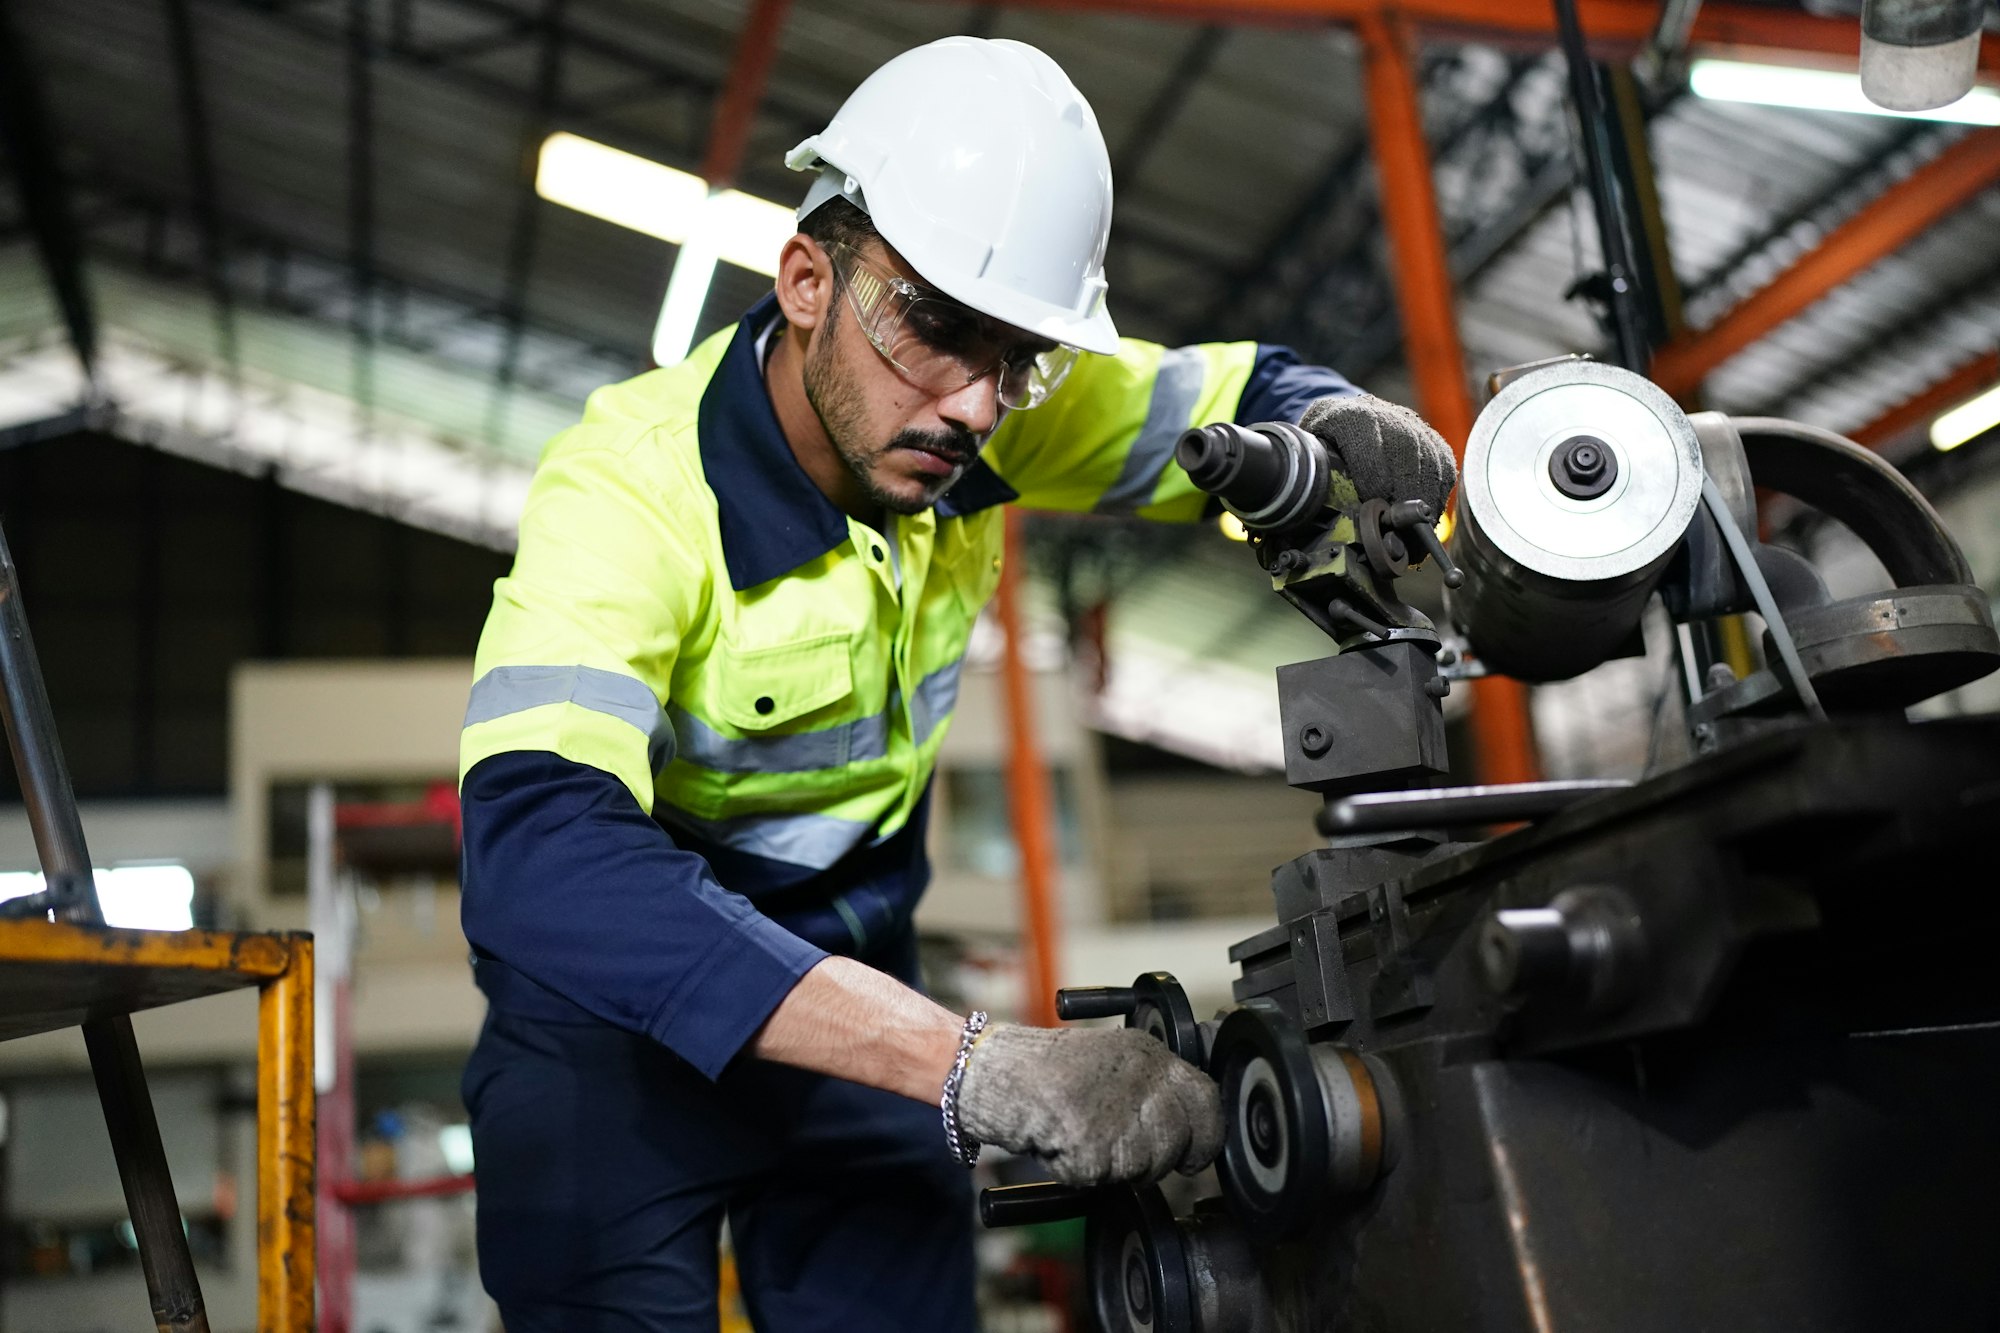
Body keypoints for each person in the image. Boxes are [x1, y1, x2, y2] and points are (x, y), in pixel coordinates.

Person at [456, 34, 1456, 1333]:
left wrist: (1331, 420)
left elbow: (1226, 393)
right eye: (934, 331)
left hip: (851, 986)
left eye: (1019, 357)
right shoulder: (631, 494)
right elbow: (538, 851)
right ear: (807, 278)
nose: (981, 407)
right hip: (611, 1029)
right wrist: (970, 1063)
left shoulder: (972, 397)